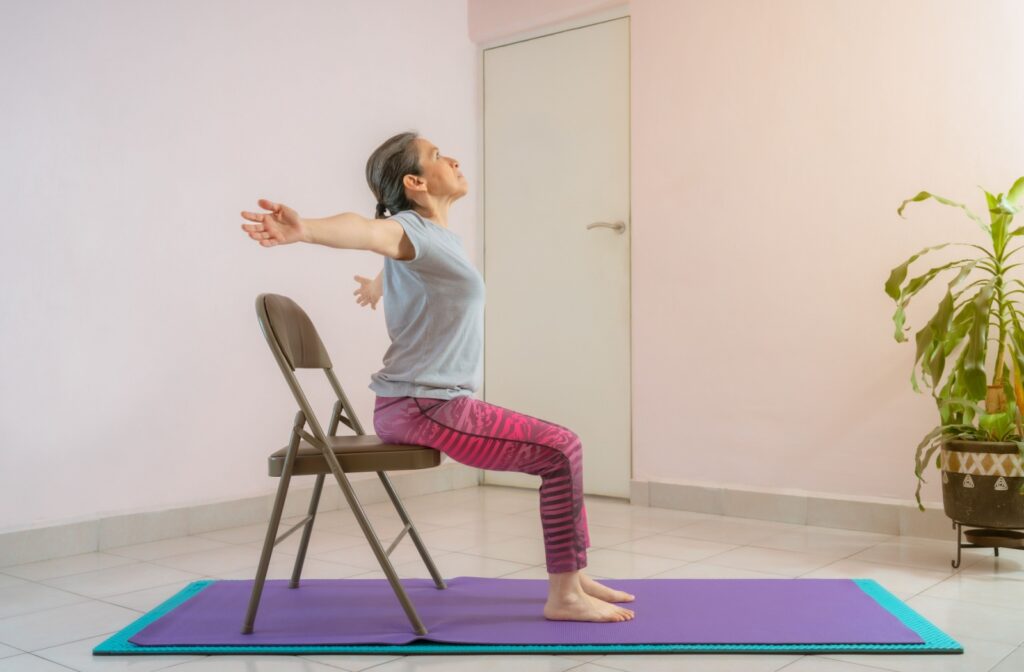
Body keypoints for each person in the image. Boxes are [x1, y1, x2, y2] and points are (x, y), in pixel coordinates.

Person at [239, 131, 635, 623]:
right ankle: (565, 594)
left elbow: (407, 259)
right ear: (415, 182)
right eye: (435, 156)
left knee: (562, 449)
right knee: (561, 449)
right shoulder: (409, 229)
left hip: (429, 404)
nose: (451, 158)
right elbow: (366, 229)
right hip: (425, 408)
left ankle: (572, 575)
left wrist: (380, 284)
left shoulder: (434, 239)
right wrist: (308, 230)